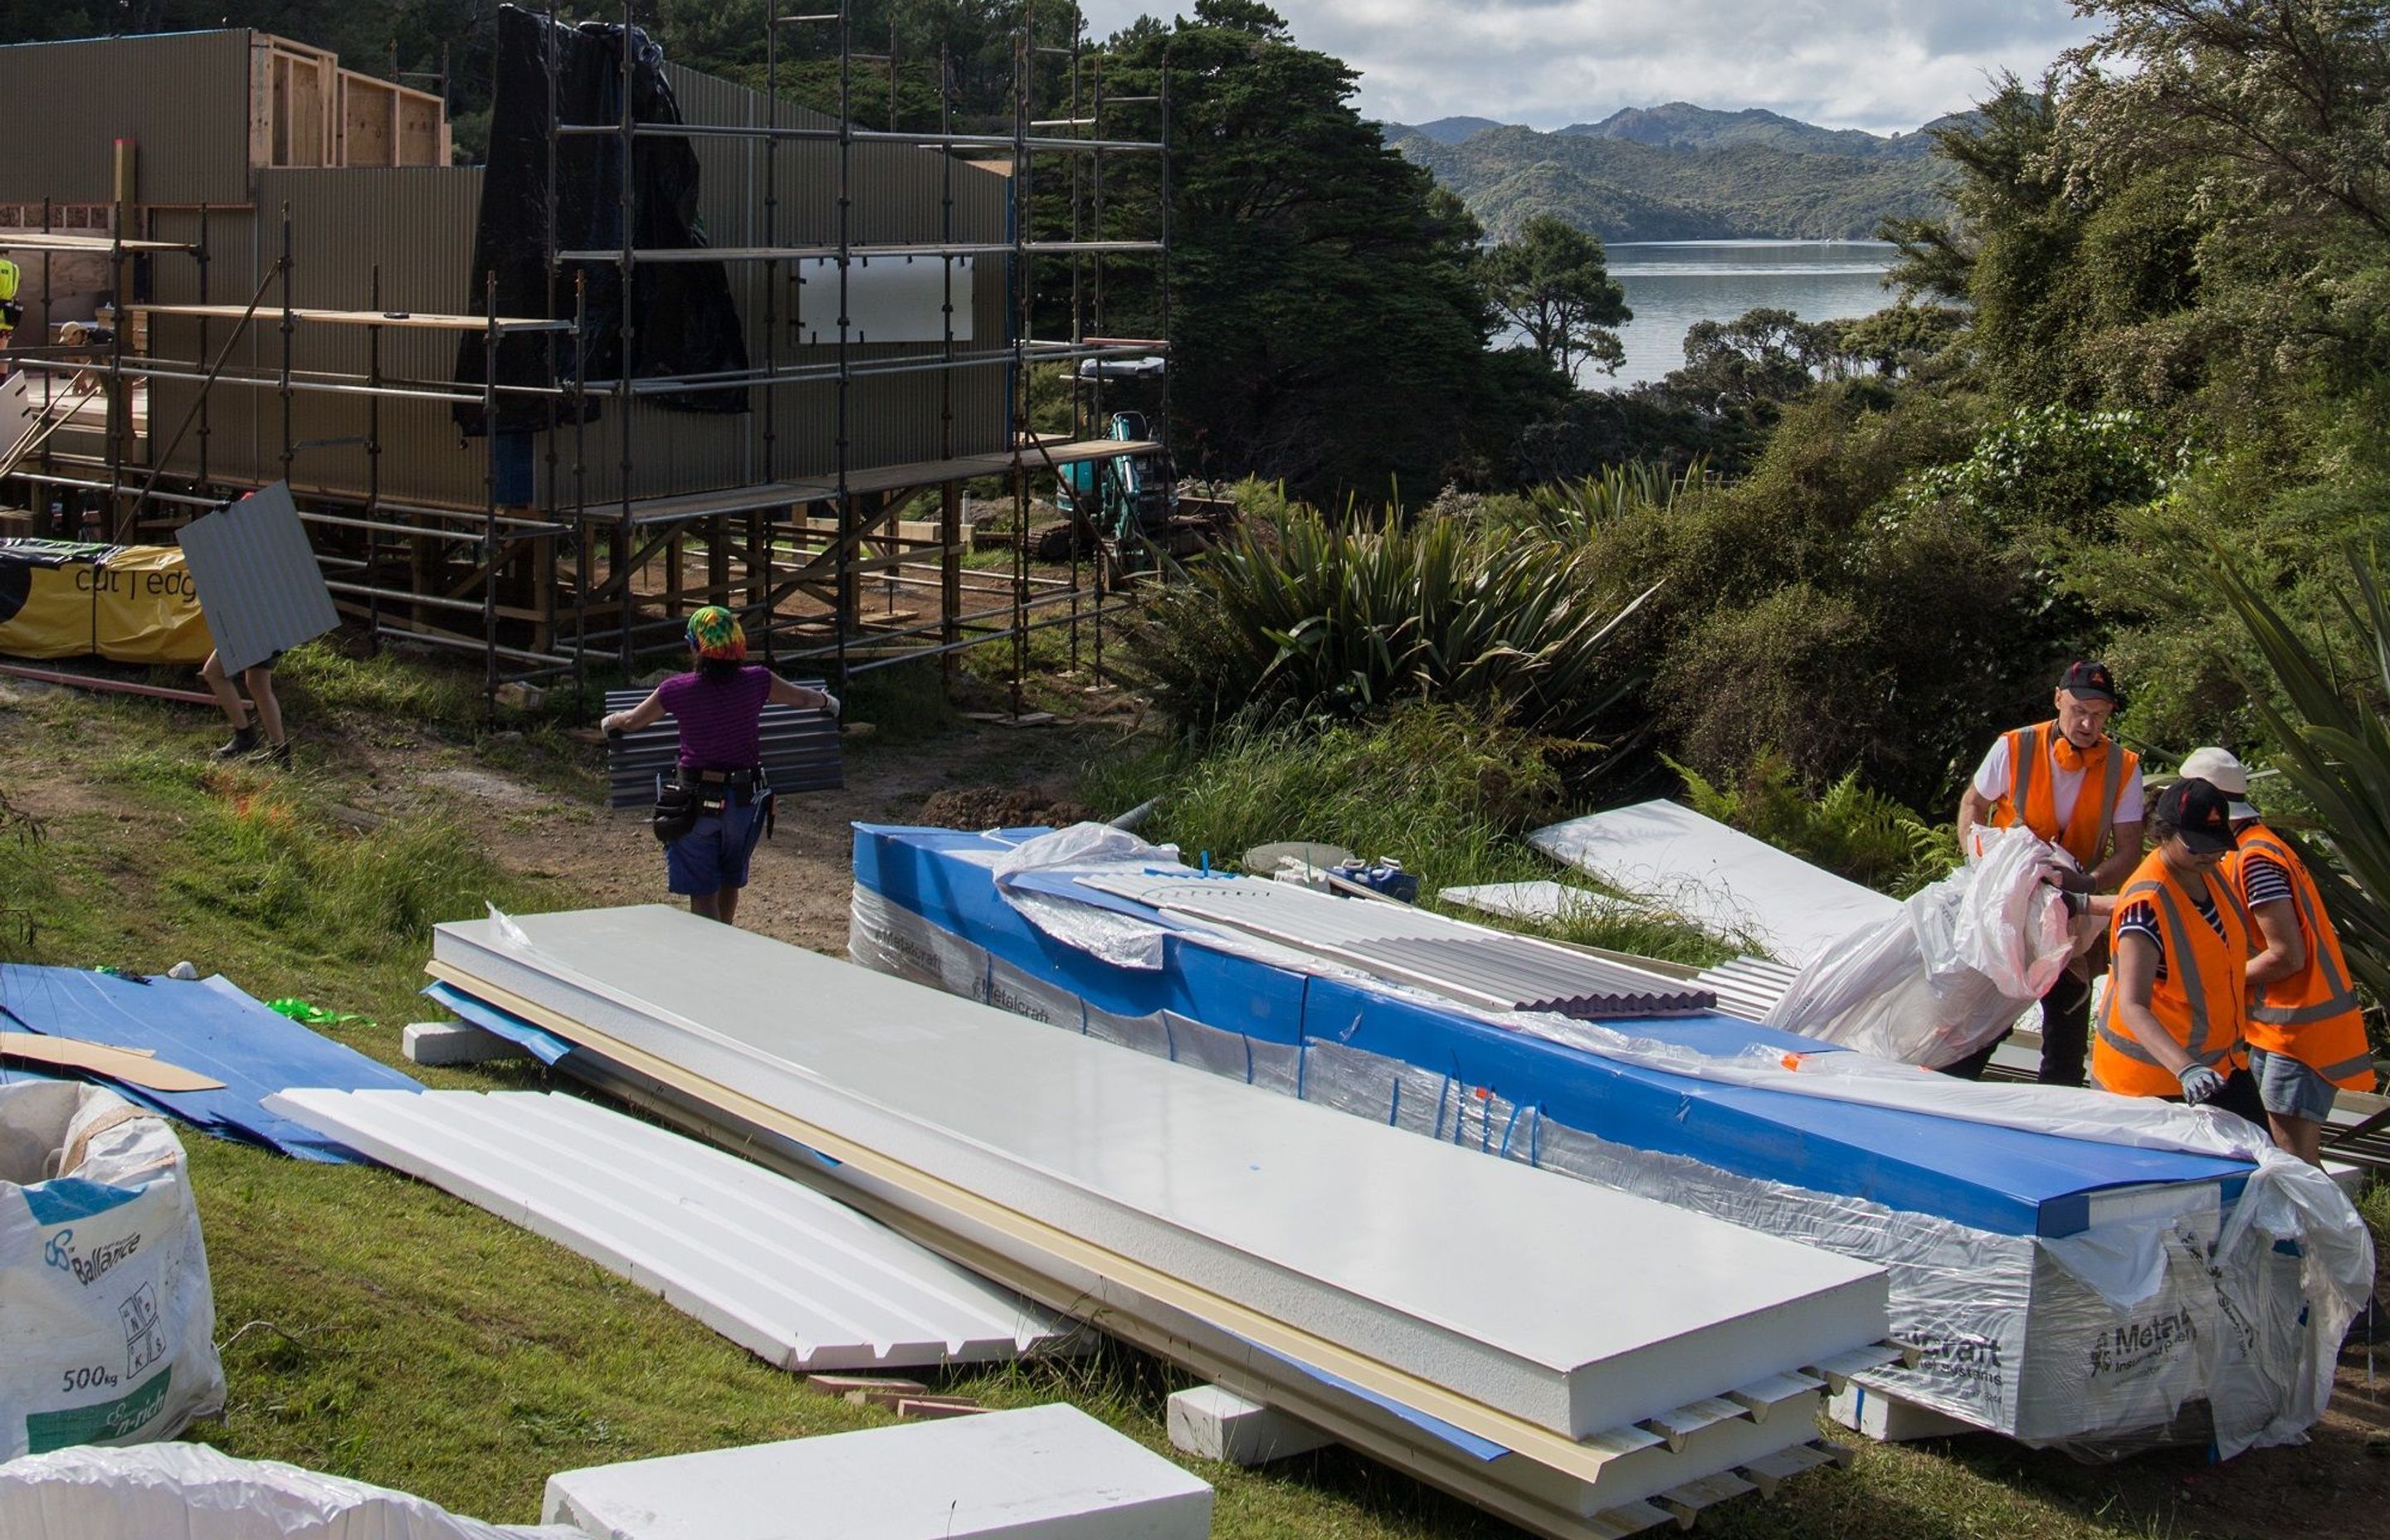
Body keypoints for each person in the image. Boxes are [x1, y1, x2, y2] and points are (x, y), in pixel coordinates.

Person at [1947, 660, 2145, 1084]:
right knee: (1986, 1011)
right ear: (2058, 699)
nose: (2088, 724)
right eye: (2079, 711)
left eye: (2100, 715)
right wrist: (1979, 864)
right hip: (2007, 905)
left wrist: (2087, 883)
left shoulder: (2123, 767)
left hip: (2073, 910)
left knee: (2068, 1016)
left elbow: (2130, 850)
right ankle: (1952, 1088)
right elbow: (1973, 804)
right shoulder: (2015, 745)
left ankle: (2058, 1108)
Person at [2180, 747, 2373, 1165]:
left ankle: (2329, 1232)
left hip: (2300, 1033)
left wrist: (2216, 979)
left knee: (2295, 1160)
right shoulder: (2254, 848)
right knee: (2282, 1154)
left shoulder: (2254, 859)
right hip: (2283, 1030)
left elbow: (2286, 956)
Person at [601, 606, 837, 928]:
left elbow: (632, 721)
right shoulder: (758, 681)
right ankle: (725, 947)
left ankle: (711, 959)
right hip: (744, 805)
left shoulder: (677, 688)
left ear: (698, 647)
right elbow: (804, 700)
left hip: (694, 803)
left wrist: (610, 722)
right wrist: (829, 702)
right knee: (729, 879)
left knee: (703, 893)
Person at [2090, 777, 2268, 1126]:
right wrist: (2185, 1069)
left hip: (2220, 1066)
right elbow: (2133, 1005)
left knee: (2262, 1167)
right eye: (2197, 846)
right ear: (2163, 834)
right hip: (2149, 1081)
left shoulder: (2210, 875)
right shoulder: (2146, 904)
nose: (2211, 854)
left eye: (2216, 845)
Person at [198, 648, 288, 764]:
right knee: (258, 684)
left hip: (248, 634)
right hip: (270, 635)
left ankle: (244, 735)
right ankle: (280, 752)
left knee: (214, 672)